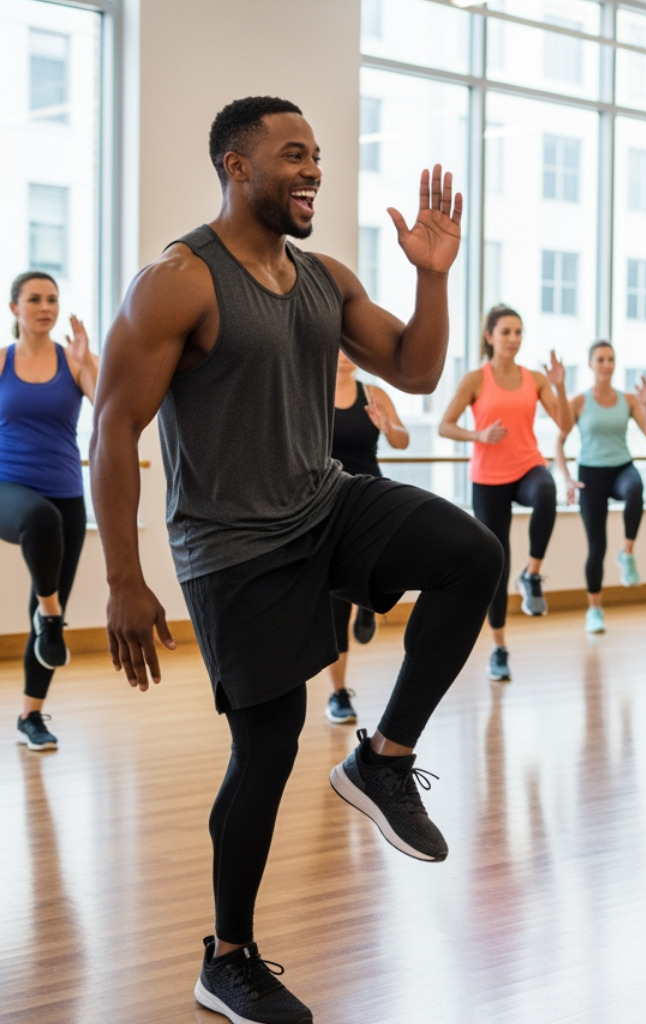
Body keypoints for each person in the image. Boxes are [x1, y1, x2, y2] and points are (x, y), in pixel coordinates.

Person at [91, 97, 502, 1024]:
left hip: (325, 502)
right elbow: (114, 422)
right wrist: (122, 575)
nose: (312, 170)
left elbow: (417, 368)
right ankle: (227, 958)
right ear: (237, 168)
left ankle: (383, 760)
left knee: (471, 555)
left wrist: (434, 277)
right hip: (231, 547)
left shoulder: (322, 277)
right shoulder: (179, 281)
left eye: (316, 155)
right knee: (268, 748)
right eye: (291, 156)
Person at [439, 305, 569, 681]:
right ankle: (499, 647)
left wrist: (558, 384)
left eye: (518, 332)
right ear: (490, 336)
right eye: (506, 332)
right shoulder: (475, 379)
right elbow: (445, 426)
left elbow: (563, 423)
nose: (514, 339)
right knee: (497, 561)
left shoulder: (535, 379)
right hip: (489, 476)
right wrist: (477, 435)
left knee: (547, 491)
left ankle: (533, 575)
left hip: (528, 465)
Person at [3, 271, 97, 751]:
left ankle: (30, 717)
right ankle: (53, 617)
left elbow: (111, 409)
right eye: (34, 299)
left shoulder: (74, 360)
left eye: (52, 299)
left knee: (44, 594)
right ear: (15, 308)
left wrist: (86, 365)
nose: (45, 306)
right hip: (8, 489)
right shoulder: (1, 362)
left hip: (66, 495)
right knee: (40, 522)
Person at [324, 349, 410, 725]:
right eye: (339, 347)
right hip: (327, 501)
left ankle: (369, 604)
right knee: (334, 602)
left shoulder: (373, 394)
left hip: (370, 495)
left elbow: (403, 440)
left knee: (383, 562)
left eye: (351, 348)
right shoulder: (312, 391)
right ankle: (338, 694)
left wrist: (387, 426)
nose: (346, 355)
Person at [554, 341, 646, 634]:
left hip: (622, 467)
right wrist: (567, 478)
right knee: (596, 547)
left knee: (635, 489)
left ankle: (627, 553)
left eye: (611, 359)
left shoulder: (628, 399)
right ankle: (595, 609)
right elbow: (558, 443)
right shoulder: (579, 401)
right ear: (590, 364)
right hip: (591, 474)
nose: (607, 364)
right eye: (600, 359)